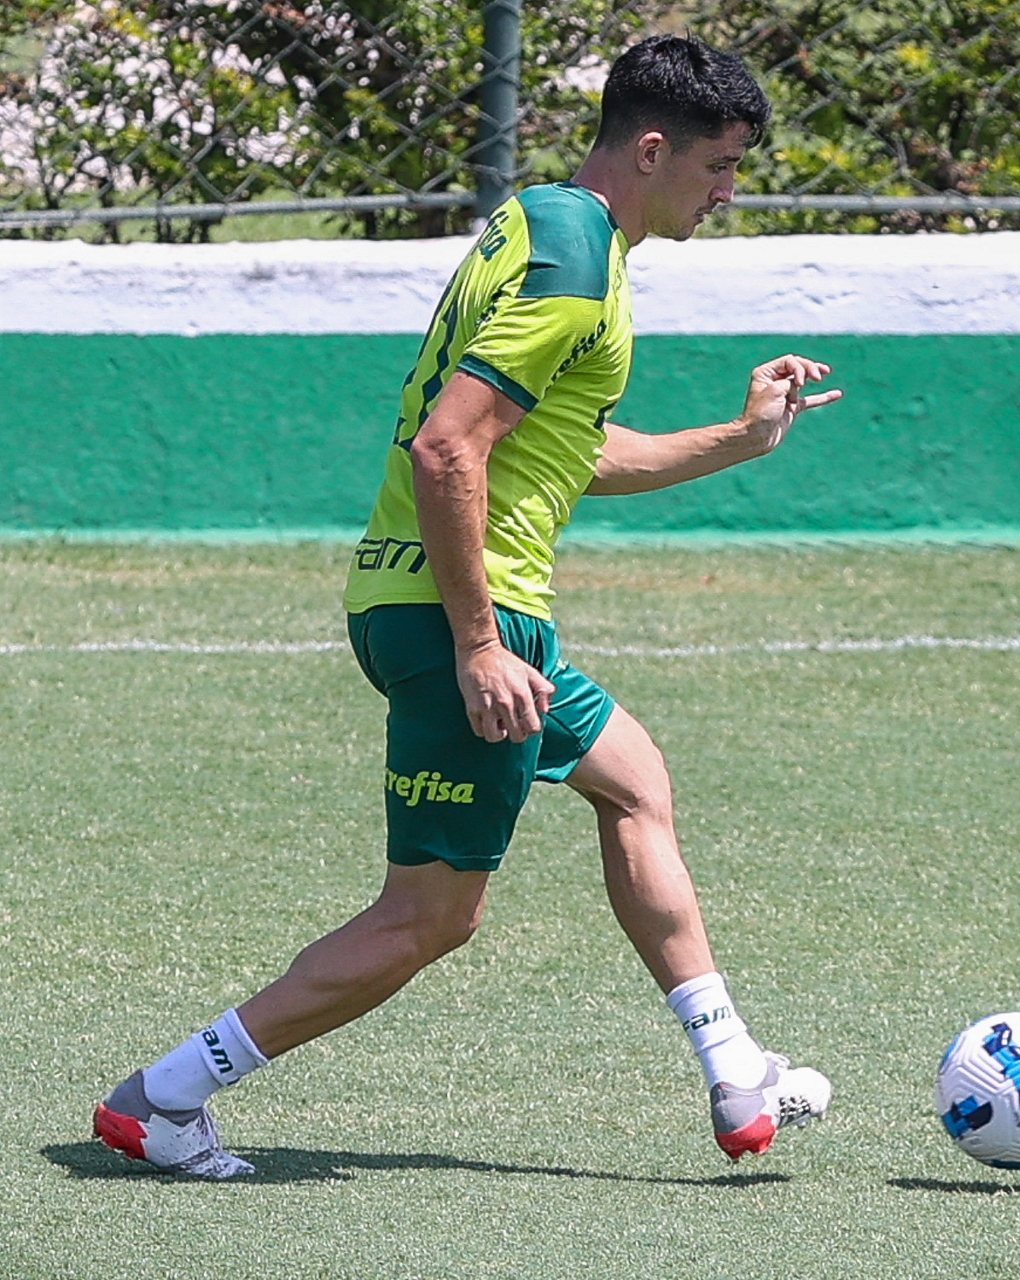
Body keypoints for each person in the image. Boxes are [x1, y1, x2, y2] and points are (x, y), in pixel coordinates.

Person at [93, 33, 843, 1180]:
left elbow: (561, 448)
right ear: (652, 149)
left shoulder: (540, 223)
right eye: (720, 165)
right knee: (430, 915)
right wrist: (479, 642)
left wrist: (738, 439)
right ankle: (166, 1096)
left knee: (633, 780)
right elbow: (449, 447)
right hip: (469, 612)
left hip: (426, 595)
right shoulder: (577, 271)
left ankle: (733, 1064)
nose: (729, 191)